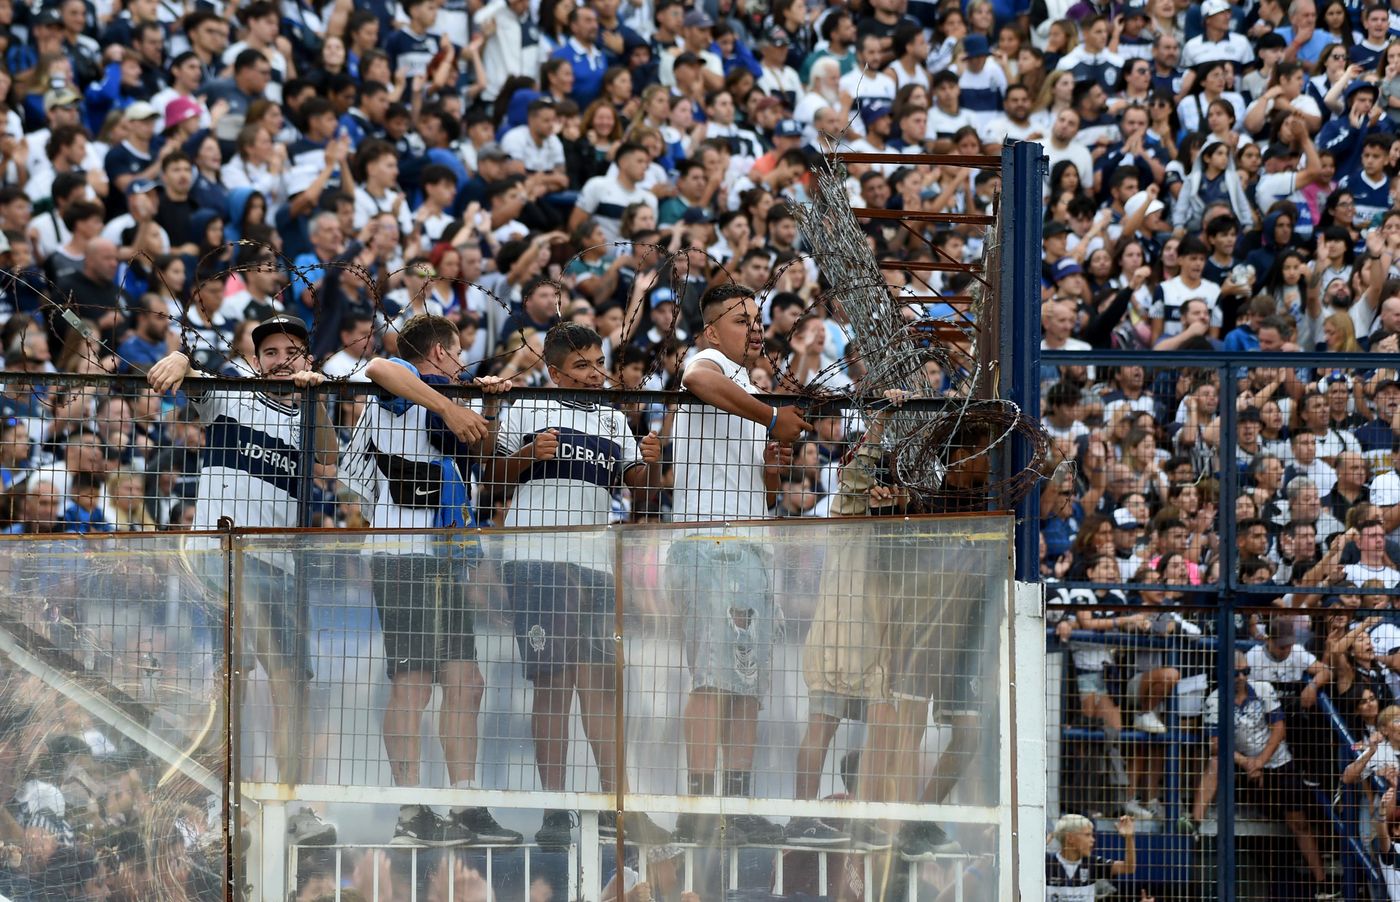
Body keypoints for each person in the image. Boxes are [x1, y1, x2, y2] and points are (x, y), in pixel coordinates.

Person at [145, 315, 339, 839]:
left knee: (289, 684)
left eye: (291, 350)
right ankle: (221, 799)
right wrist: (180, 358)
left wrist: (314, 396)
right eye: (270, 352)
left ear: (307, 359)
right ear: (257, 360)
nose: (280, 359)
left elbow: (328, 457)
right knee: (231, 680)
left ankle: (290, 802)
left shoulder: (308, 413)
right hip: (224, 557)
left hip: (283, 567)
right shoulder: (232, 393)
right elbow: (191, 379)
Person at [492, 322, 671, 849]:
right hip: (536, 561)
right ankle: (555, 810)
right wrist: (528, 455)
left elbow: (642, 501)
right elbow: (491, 482)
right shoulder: (523, 410)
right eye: (583, 366)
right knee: (553, 685)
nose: (596, 375)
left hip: (595, 567)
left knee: (599, 685)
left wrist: (651, 469)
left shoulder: (617, 420)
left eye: (599, 364)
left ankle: (620, 808)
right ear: (554, 371)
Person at [355, 313, 521, 847]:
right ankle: (411, 812)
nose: (461, 359)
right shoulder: (404, 385)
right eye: (456, 351)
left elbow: (482, 460)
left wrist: (486, 404)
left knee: (466, 681)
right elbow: (380, 365)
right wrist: (450, 403)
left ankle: (465, 803)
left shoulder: (443, 397)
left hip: (444, 556)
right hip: (404, 554)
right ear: (439, 352)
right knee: (414, 682)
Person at [667, 282, 811, 846]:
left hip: (749, 546)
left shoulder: (749, 387)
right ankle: (701, 805)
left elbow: (764, 483)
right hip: (711, 544)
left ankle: (739, 799)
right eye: (739, 319)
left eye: (756, 320)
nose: (753, 329)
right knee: (711, 677)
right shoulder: (705, 363)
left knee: (747, 683)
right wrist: (774, 418)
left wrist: (776, 457)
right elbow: (698, 382)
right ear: (709, 330)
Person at [1046, 813, 1137, 900]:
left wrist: (1129, 838)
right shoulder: (1046, 863)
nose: (1092, 840)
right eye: (1087, 835)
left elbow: (1128, 868)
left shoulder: (1092, 863)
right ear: (1070, 838)